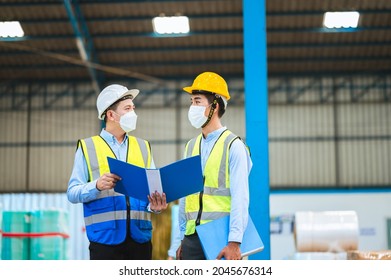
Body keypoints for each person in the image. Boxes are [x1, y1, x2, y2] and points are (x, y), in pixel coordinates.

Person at [67, 84, 167, 260]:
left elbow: (151, 191)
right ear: (111, 114)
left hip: (140, 241)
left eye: (133, 108)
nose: (133, 113)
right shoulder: (88, 147)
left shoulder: (143, 147)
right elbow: (72, 193)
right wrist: (96, 185)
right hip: (105, 242)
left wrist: (155, 207)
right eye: (127, 108)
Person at [176, 72, 253, 260]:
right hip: (192, 239)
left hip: (222, 239)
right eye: (191, 102)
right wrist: (181, 240)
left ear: (215, 106)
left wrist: (234, 242)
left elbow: (240, 197)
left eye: (197, 101)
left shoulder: (234, 146)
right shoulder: (191, 146)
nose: (192, 107)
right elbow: (186, 198)